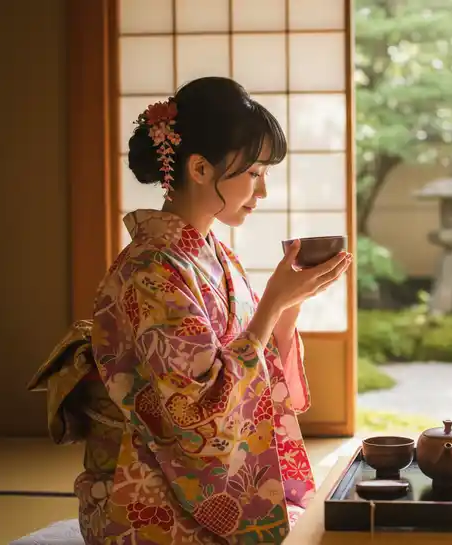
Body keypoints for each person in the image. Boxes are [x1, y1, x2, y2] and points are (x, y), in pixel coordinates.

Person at [74, 76, 350, 544]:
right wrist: (272, 307)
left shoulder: (213, 254)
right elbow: (195, 414)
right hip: (149, 495)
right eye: (254, 172)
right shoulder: (152, 269)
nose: (261, 192)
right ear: (199, 168)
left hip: (203, 480)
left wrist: (284, 312)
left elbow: (247, 366)